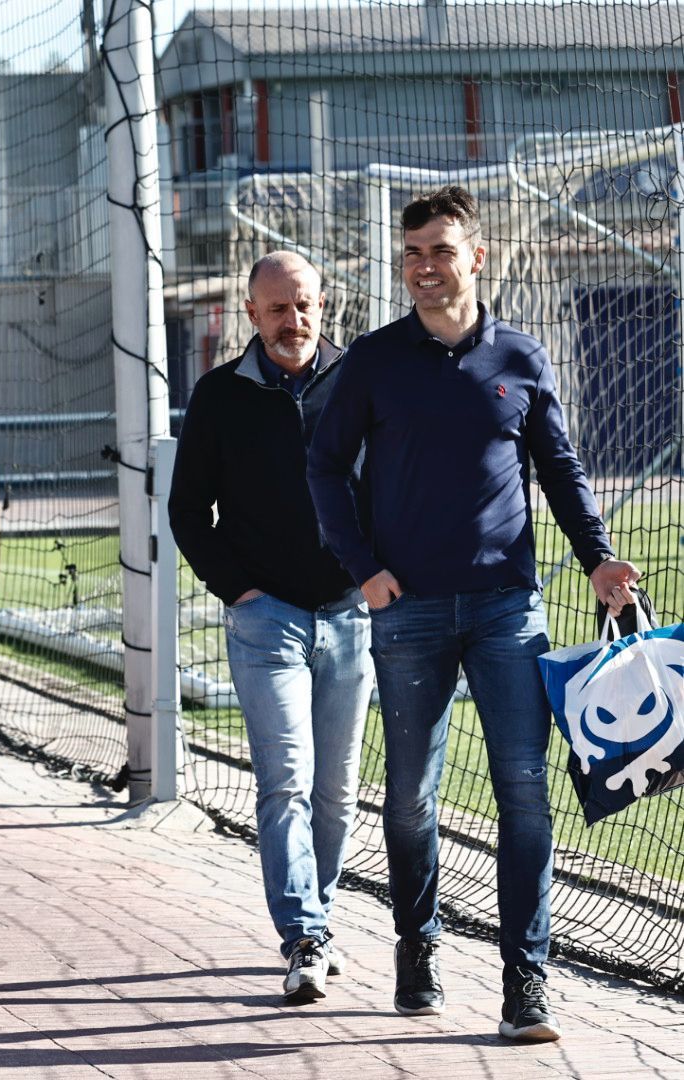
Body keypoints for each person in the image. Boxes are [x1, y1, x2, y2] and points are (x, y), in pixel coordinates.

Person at [308, 185, 641, 1043]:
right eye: (412, 252)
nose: (424, 267)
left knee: (526, 795)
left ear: (476, 257)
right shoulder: (375, 362)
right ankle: (418, 947)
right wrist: (366, 571)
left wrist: (598, 558)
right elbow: (324, 469)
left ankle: (525, 981)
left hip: (506, 609)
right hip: (407, 611)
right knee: (412, 801)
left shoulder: (521, 359)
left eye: (440, 251)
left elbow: (560, 471)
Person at [168, 251, 372, 1004]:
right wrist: (240, 590)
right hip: (267, 621)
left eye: (305, 306)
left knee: (337, 789)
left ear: (325, 308)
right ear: (250, 316)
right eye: (278, 309)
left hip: (350, 613)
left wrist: (377, 574)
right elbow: (188, 512)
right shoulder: (220, 397)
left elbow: (390, 487)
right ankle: (304, 936)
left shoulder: (360, 383)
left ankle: (315, 917)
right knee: (285, 780)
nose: (294, 322)